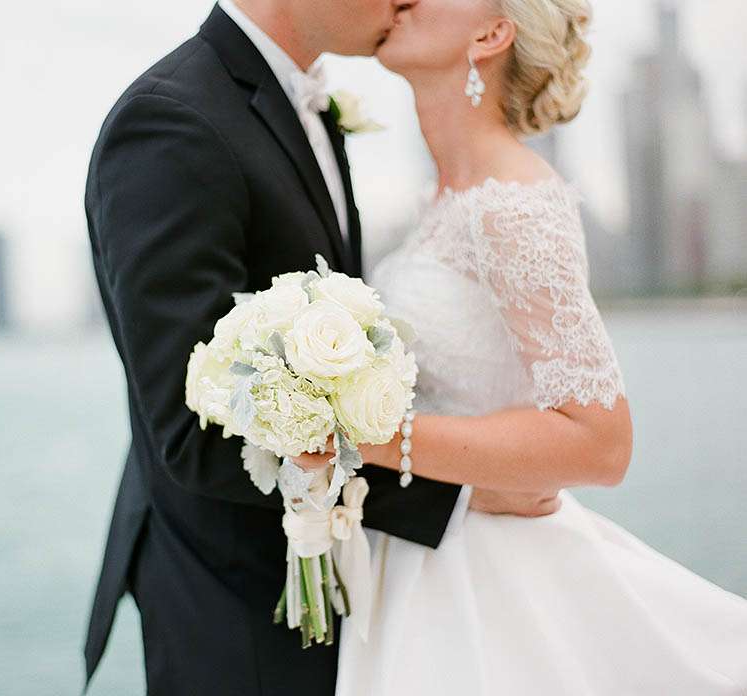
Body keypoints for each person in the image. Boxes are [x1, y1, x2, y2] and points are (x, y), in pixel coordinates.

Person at [82, 1, 551, 693]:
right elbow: (194, 430)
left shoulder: (305, 109)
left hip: (338, 591)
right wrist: (452, 493)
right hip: (233, 602)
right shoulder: (172, 122)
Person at [291, 0, 747, 692]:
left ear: (492, 34)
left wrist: (364, 436)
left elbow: (599, 441)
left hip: (495, 580)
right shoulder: (445, 196)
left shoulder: (515, 201)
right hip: (421, 560)